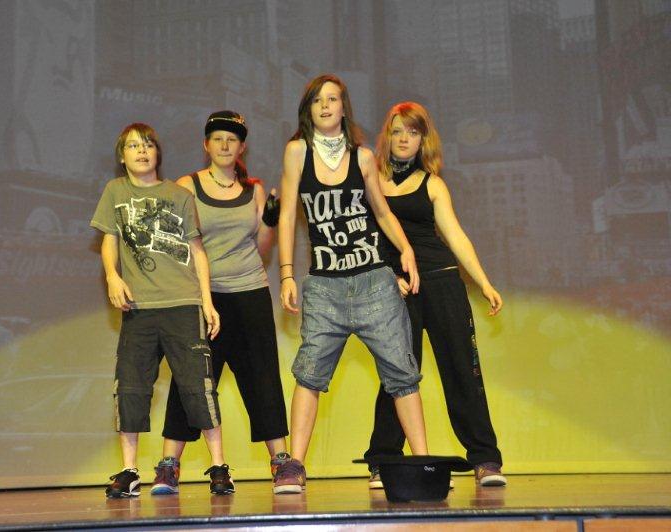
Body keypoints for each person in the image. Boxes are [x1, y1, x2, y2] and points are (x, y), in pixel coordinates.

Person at [273, 74, 428, 494]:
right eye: (317, 100)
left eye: (332, 99)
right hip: (325, 287)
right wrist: (286, 273)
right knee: (309, 374)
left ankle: (423, 463)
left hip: (374, 282)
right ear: (308, 109)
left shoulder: (362, 157)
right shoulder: (297, 152)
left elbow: (382, 212)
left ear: (344, 107)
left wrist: (406, 250)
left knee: (402, 374)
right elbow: (287, 215)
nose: (325, 106)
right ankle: (293, 466)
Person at [364, 102, 506, 487]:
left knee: (462, 371)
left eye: (412, 132)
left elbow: (455, 236)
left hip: (441, 283)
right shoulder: (370, 182)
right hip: (396, 289)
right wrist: (386, 276)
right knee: (397, 375)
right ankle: (384, 460)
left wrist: (484, 282)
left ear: (423, 140)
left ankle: (485, 460)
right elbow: (365, 239)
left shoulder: (433, 184)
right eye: (397, 131)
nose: (404, 139)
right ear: (387, 137)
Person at [90, 122, 232, 498]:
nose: (142, 151)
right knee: (131, 386)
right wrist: (112, 276)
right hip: (139, 308)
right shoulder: (115, 191)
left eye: (148, 144)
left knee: (198, 386)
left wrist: (207, 301)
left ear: (158, 153)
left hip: (183, 304)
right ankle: (130, 471)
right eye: (133, 146)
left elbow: (197, 251)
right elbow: (109, 239)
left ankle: (220, 467)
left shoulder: (179, 195)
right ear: (122, 157)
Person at [153, 111, 290, 495]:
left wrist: (270, 220)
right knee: (191, 380)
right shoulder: (187, 186)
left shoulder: (254, 190)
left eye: (232, 139)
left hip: (250, 293)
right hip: (204, 297)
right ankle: (169, 466)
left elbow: (262, 250)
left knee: (262, 377)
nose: (225, 144)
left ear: (242, 147)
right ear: (206, 145)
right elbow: (171, 244)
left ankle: (281, 462)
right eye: (218, 138)